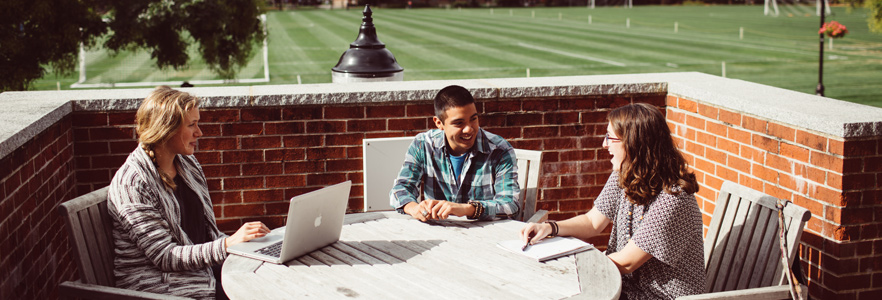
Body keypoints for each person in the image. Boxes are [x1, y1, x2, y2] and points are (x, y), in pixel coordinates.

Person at [519, 103, 706, 299]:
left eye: (610, 137)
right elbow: (592, 222)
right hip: (623, 289)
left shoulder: (674, 198)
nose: (604, 144)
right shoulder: (626, 175)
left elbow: (627, 262)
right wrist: (550, 228)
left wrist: (567, 265)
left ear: (635, 143)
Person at [107, 86, 270, 299]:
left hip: (198, 272)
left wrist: (247, 246)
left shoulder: (187, 164)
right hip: (160, 286)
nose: (199, 132)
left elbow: (205, 234)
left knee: (268, 277)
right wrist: (228, 244)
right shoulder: (133, 184)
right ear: (165, 129)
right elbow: (165, 257)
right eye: (192, 125)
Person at [390, 85, 520, 221]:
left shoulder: (499, 150)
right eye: (459, 123)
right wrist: (414, 208)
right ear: (439, 123)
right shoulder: (423, 144)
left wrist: (466, 209)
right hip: (438, 231)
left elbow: (510, 205)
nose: (469, 129)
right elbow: (400, 190)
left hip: (485, 235)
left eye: (474, 119)